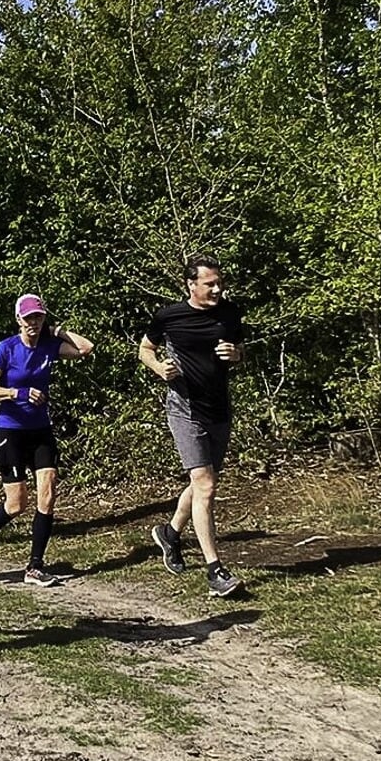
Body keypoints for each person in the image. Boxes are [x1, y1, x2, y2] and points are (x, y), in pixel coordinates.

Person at [138, 255, 246, 597]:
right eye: (209, 284)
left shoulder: (229, 312)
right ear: (191, 285)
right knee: (206, 485)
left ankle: (169, 533)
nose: (216, 289)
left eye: (219, 283)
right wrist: (158, 368)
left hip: (219, 409)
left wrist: (237, 354)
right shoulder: (169, 316)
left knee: (204, 483)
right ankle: (215, 571)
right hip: (185, 410)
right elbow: (145, 349)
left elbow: (241, 349)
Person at [0, 294, 94, 586]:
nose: (33, 323)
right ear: (18, 320)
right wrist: (16, 393)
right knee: (16, 504)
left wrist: (58, 331)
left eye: (38, 317)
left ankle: (35, 565)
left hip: (40, 429)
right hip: (11, 429)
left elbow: (86, 348)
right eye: (28, 318)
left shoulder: (49, 346)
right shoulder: (6, 348)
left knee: (48, 493)